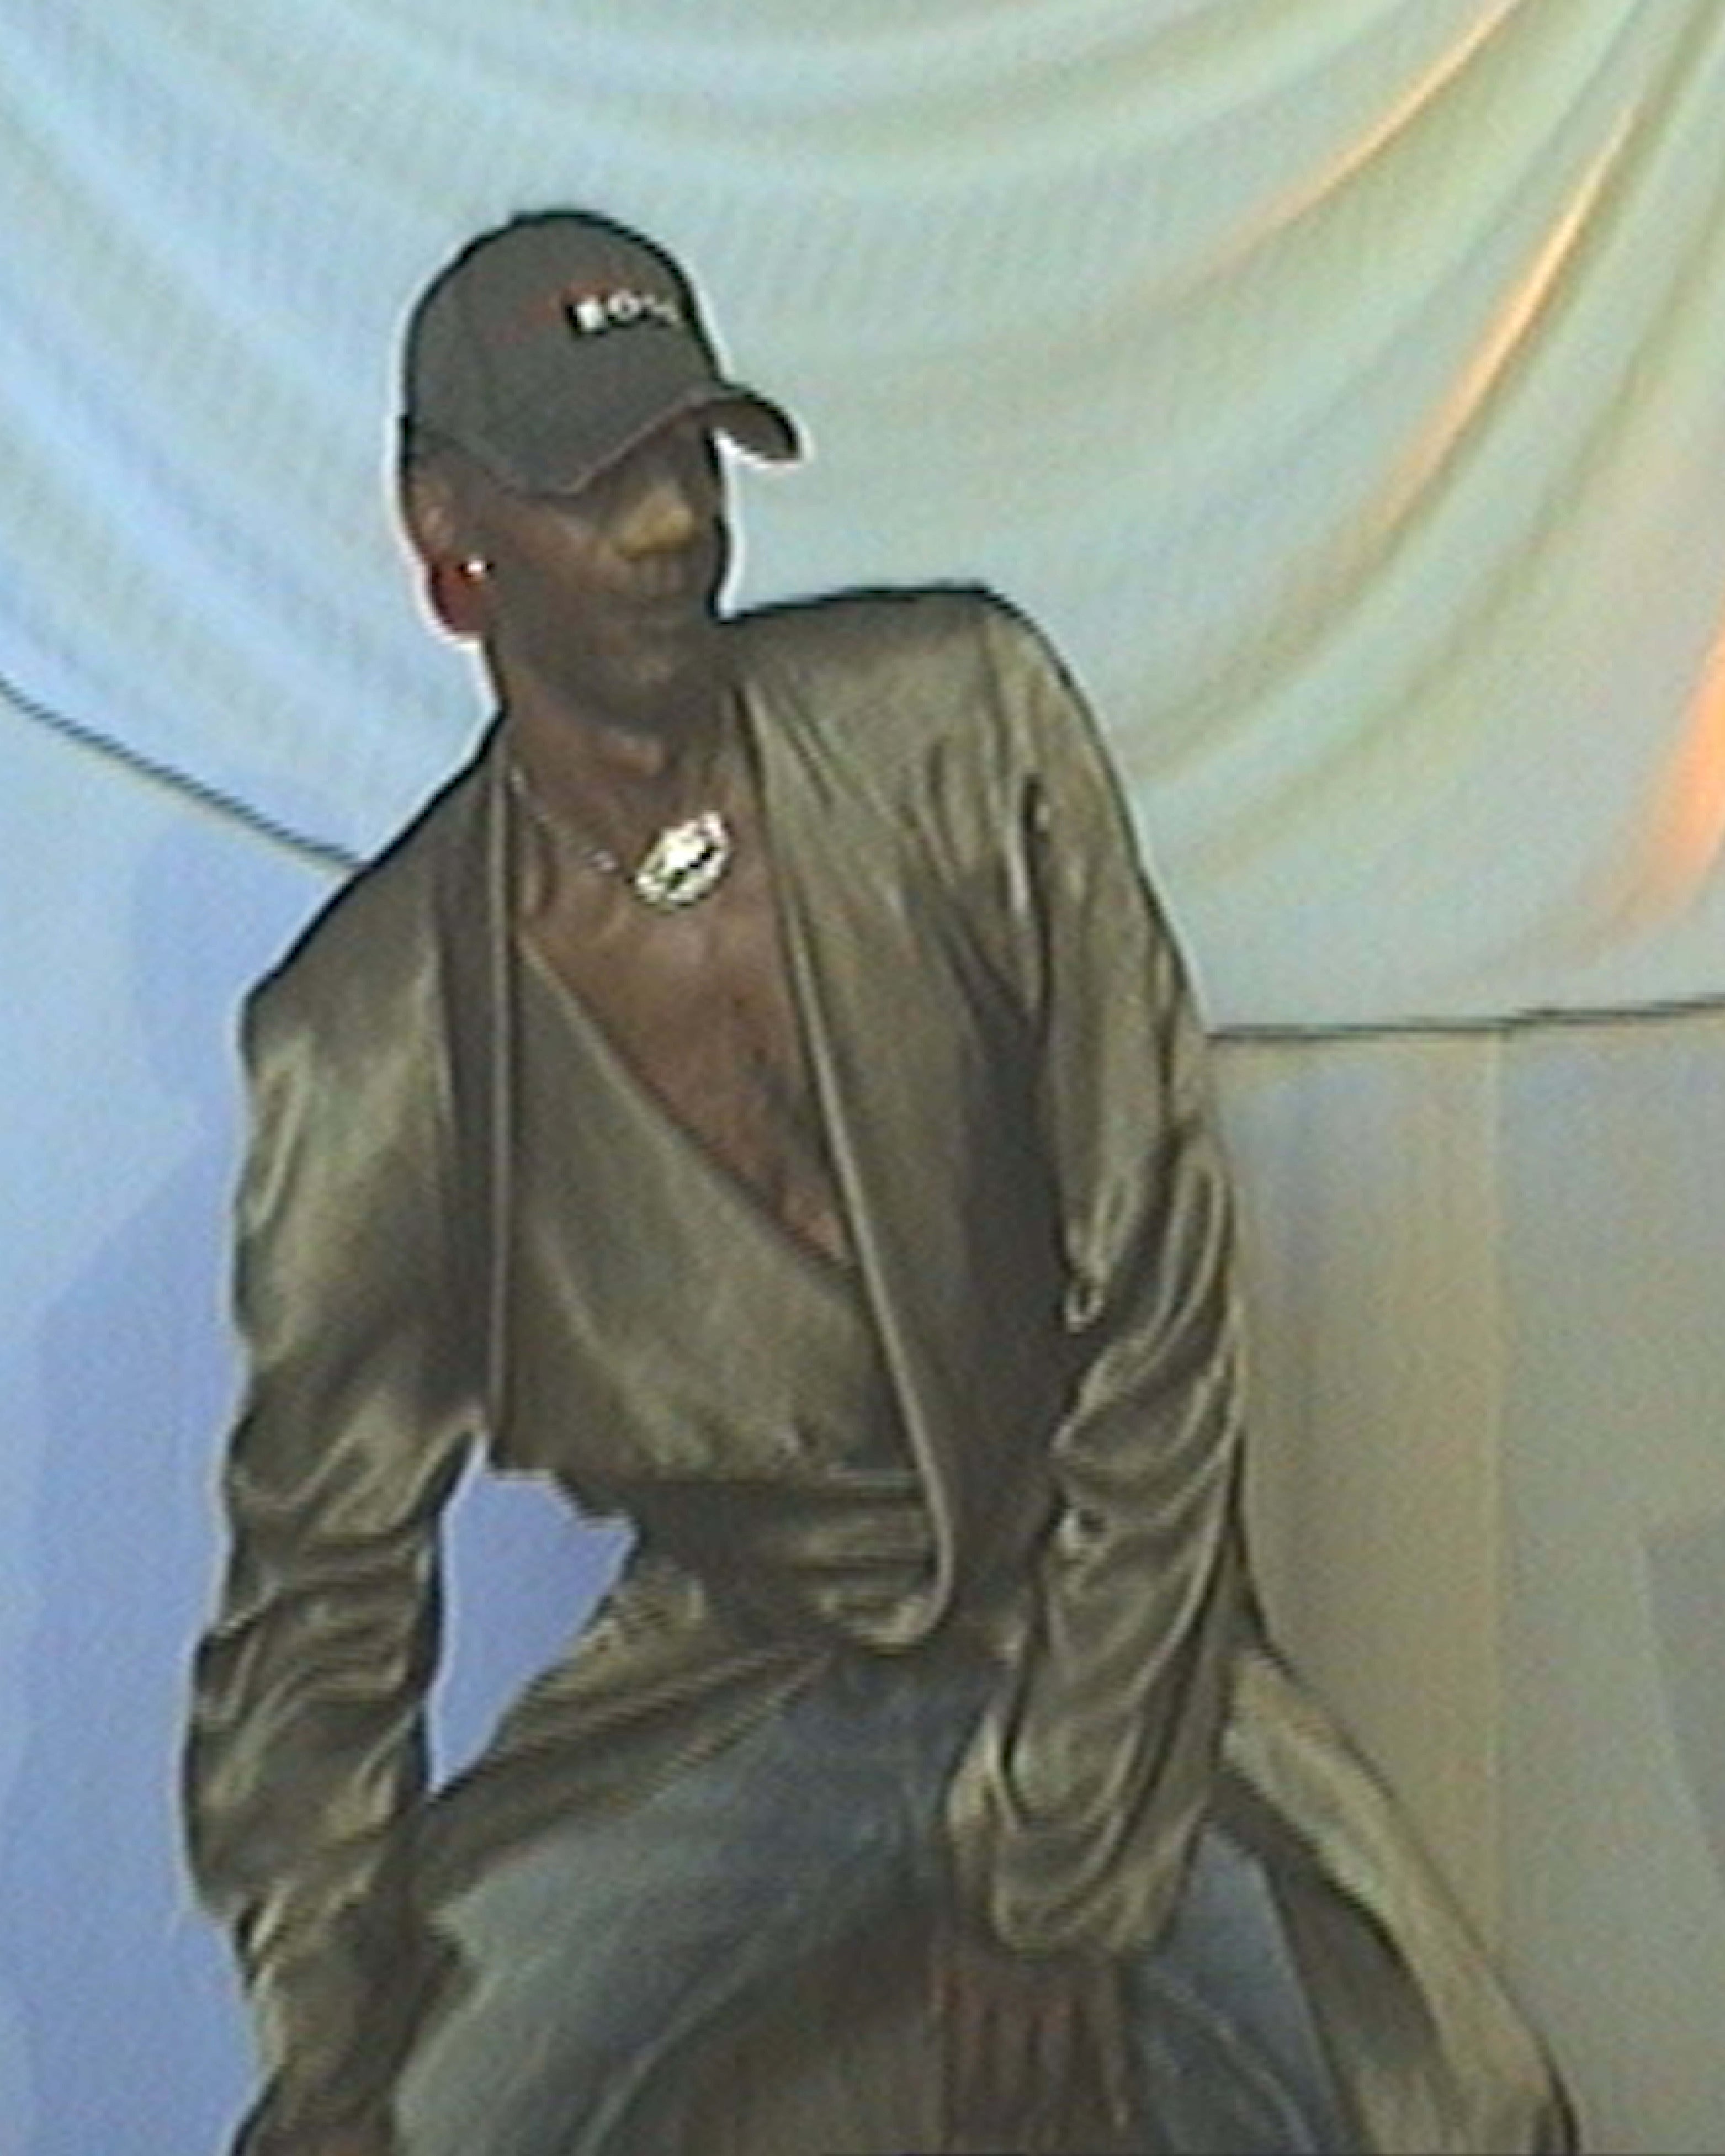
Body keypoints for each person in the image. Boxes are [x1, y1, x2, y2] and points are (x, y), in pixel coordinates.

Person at [183, 210, 1573, 2156]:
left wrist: (1061, 1851)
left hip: (1094, 1635)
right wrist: (331, 2038)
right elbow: (320, 1593)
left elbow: (1157, 1302)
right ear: (450, 531)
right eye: (597, 482)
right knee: (394, 2125)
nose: (674, 526)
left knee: (1458, 2104)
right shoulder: (372, 1032)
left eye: (694, 458)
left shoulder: (963, 727)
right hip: (726, 1678)